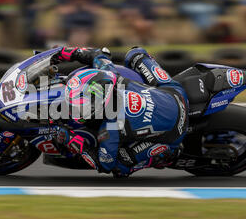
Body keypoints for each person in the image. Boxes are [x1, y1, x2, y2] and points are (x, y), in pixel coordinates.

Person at [51, 46, 189, 177]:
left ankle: (167, 154)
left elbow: (104, 165)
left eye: (80, 107)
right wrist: (65, 52)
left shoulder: (110, 128)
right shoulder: (111, 74)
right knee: (135, 53)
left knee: (120, 168)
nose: (74, 110)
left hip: (175, 132)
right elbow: (97, 54)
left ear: (98, 106)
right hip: (175, 93)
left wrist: (71, 140)